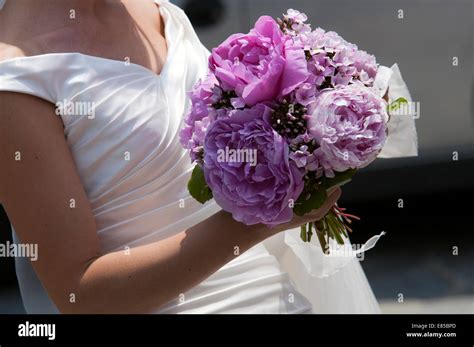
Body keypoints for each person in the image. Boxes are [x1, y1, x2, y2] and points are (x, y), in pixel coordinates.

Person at [0, 0, 382, 313]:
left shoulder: (153, 9)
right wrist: (263, 217)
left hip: (279, 295)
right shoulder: (14, 81)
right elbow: (81, 294)